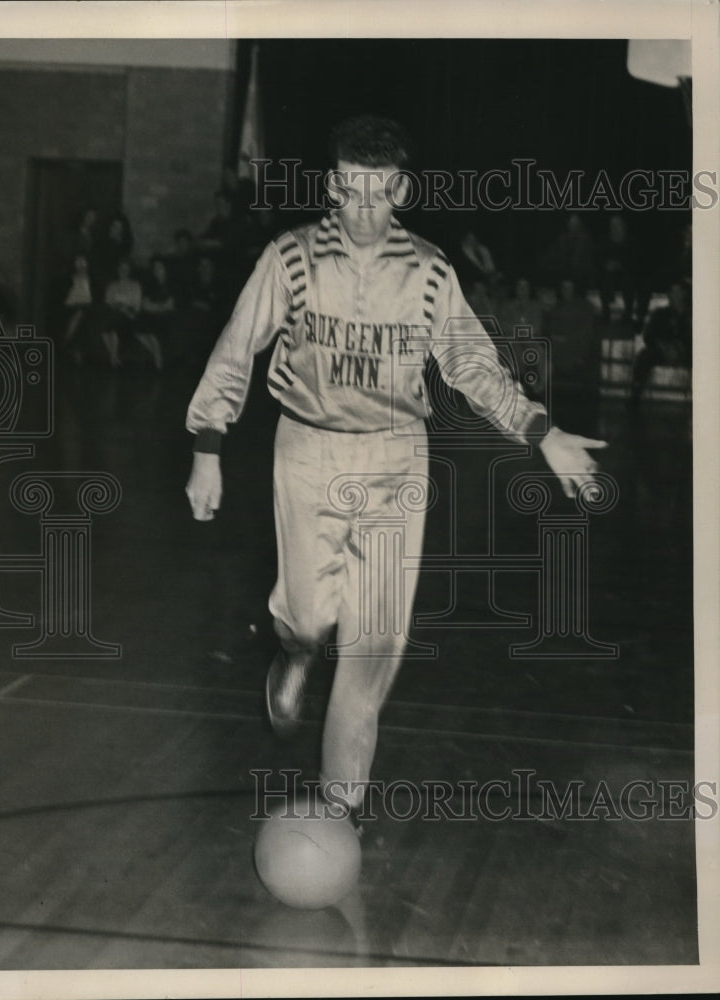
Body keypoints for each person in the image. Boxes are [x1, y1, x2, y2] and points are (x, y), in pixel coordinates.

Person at [185, 115, 606, 827]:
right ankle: (295, 649)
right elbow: (237, 346)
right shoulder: (290, 258)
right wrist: (207, 444)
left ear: (402, 191)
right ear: (332, 186)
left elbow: (473, 364)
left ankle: (341, 802)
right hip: (309, 448)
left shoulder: (430, 272)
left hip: (395, 455)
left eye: (379, 192)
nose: (364, 209)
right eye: (351, 190)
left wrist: (544, 432)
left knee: (376, 640)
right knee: (310, 615)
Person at [630, 281, 691, 403]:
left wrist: (679, 348)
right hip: (662, 350)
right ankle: (635, 394)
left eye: (678, 293)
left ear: (685, 295)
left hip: (685, 350)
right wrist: (663, 346)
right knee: (643, 356)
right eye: (672, 293)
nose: (675, 296)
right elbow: (648, 336)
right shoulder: (659, 313)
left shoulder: (691, 315)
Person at [99, 257, 142, 368]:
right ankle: (115, 358)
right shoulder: (112, 285)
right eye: (121, 268)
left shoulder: (135, 285)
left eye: (126, 269)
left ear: (130, 270)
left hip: (129, 316)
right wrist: (118, 306)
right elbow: (108, 302)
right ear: (118, 270)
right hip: (113, 315)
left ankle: (113, 359)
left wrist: (123, 307)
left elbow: (137, 307)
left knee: (113, 328)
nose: (123, 271)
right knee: (106, 331)